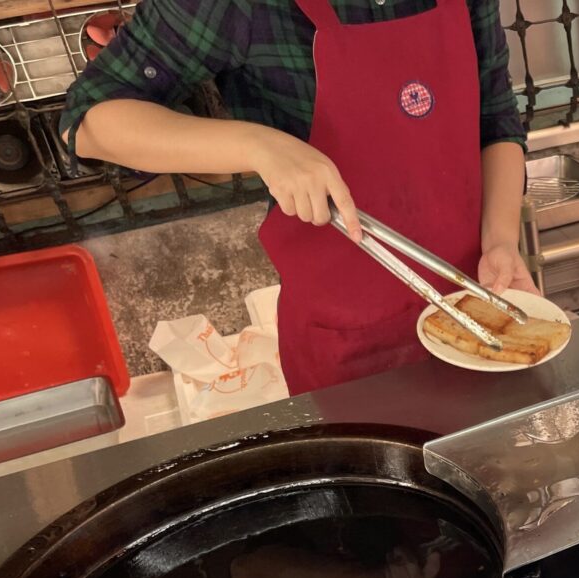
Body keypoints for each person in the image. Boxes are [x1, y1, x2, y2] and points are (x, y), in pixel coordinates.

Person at [61, 0, 537, 394]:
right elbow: (88, 123)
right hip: (349, 348)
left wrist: (500, 242)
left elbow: (496, 117)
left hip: (481, 309)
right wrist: (258, 145)